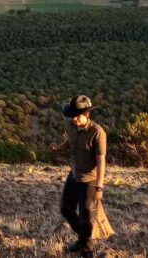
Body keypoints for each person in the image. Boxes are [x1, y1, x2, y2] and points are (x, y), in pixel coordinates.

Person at [50, 95, 115, 256]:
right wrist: (59, 148)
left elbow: (101, 162)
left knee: (86, 213)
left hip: (90, 180)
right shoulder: (71, 125)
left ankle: (86, 247)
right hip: (74, 175)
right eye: (72, 116)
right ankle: (85, 237)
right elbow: (70, 140)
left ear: (87, 115)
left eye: (77, 116)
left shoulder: (98, 133)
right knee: (66, 209)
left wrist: (99, 187)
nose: (74, 120)